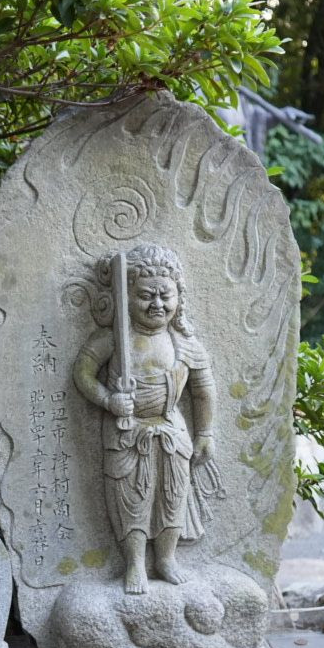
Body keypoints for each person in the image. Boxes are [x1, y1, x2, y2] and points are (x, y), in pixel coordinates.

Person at [71, 244, 217, 594]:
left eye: (165, 296)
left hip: (171, 429)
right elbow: (83, 373)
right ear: (126, 297)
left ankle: (166, 558)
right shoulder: (113, 339)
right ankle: (135, 562)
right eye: (146, 296)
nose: (157, 305)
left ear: (179, 298)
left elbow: (203, 390)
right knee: (131, 500)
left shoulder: (184, 343)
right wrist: (108, 399)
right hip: (126, 429)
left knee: (172, 496)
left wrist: (205, 433)